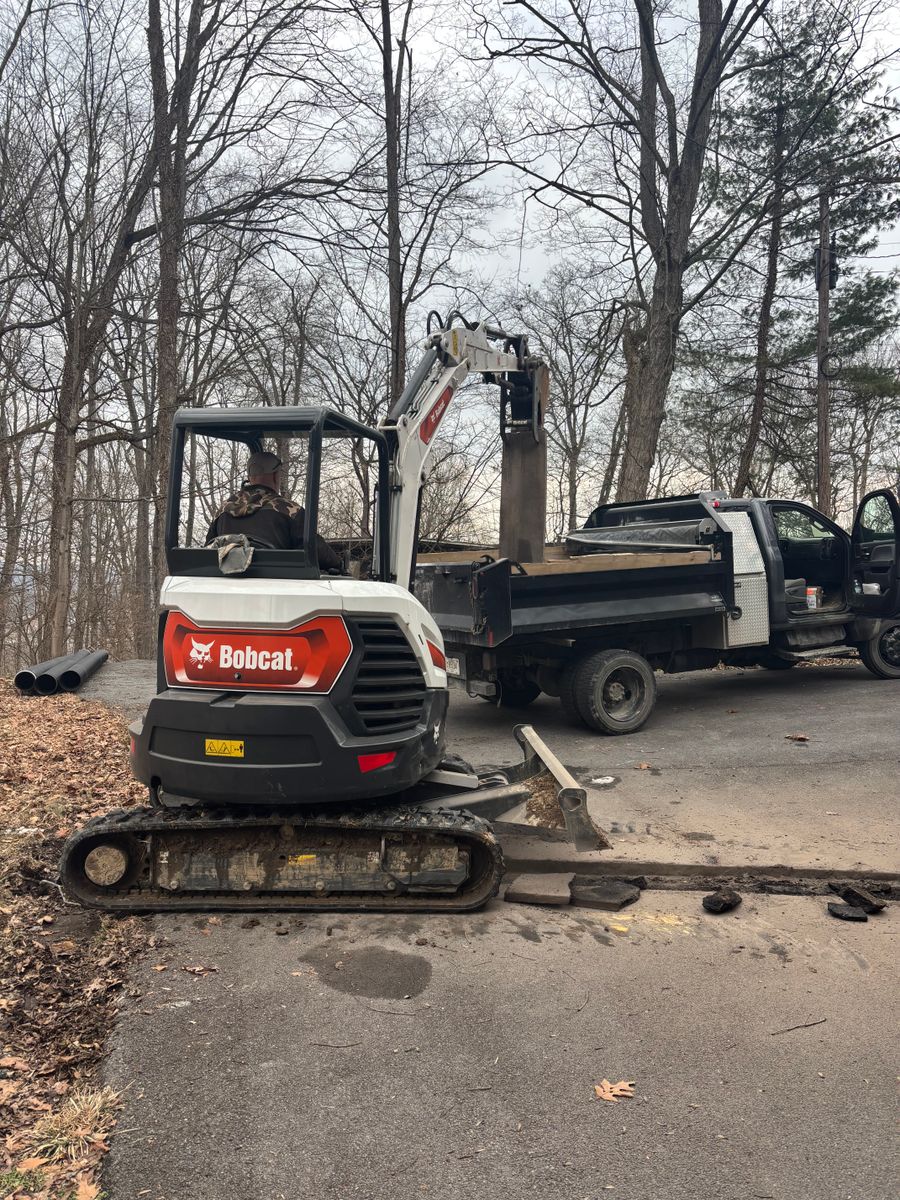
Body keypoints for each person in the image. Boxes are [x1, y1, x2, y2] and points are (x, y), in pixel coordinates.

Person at [206, 450, 343, 571]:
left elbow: (208, 549)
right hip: (276, 587)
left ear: (249, 477)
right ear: (276, 476)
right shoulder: (290, 511)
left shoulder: (223, 510)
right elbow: (315, 549)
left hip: (228, 585)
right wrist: (338, 564)